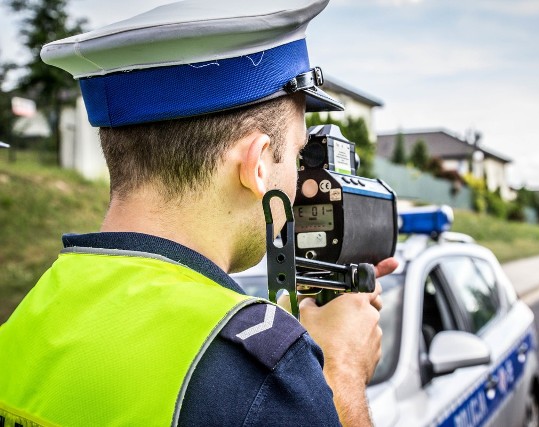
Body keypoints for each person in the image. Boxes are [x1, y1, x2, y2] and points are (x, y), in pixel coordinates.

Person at [0, 1, 398, 426]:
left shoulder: (30, 316)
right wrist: (342, 374)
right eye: (299, 155)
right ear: (259, 165)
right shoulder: (260, 377)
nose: (299, 178)